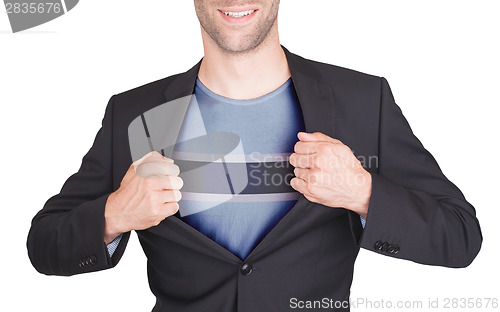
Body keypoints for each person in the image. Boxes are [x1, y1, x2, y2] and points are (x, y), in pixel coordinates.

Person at [27, 1, 482, 311]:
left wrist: (363, 192)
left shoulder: (362, 101)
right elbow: (44, 245)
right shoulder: (136, 113)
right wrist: (114, 214)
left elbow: (460, 236)